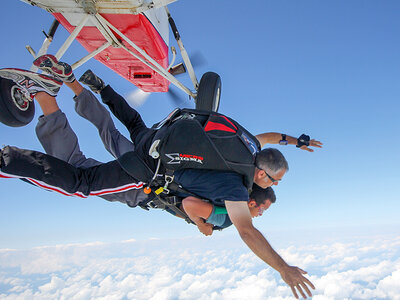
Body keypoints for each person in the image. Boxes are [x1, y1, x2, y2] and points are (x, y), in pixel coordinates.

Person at [0, 61, 322, 298]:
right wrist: (283, 268)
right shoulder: (233, 191)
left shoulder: (248, 144)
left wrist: (299, 141)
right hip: (145, 177)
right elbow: (247, 231)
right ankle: (9, 158)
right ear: (260, 177)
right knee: (80, 181)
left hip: (154, 140)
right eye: (274, 182)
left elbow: (270, 136)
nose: (274, 187)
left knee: (118, 128)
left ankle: (61, 87)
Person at [183, 184, 276, 235]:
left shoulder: (234, 184)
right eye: (261, 210)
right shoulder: (226, 218)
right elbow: (189, 204)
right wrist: (201, 225)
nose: (260, 214)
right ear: (252, 204)